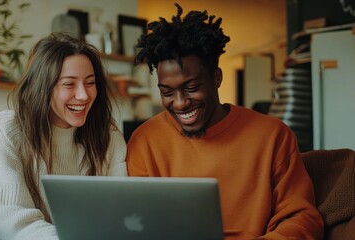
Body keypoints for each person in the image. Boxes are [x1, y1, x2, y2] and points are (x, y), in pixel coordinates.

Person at [127, 3, 323, 239]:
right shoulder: (145, 140)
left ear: (216, 78)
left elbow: (301, 219)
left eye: (191, 87)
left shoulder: (272, 135)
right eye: (167, 92)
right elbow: (135, 222)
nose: (179, 103)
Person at [0, 32, 127, 240]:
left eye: (90, 82)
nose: (84, 95)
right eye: (69, 84)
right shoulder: (8, 129)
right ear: (43, 87)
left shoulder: (109, 136)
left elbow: (119, 212)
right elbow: (12, 220)